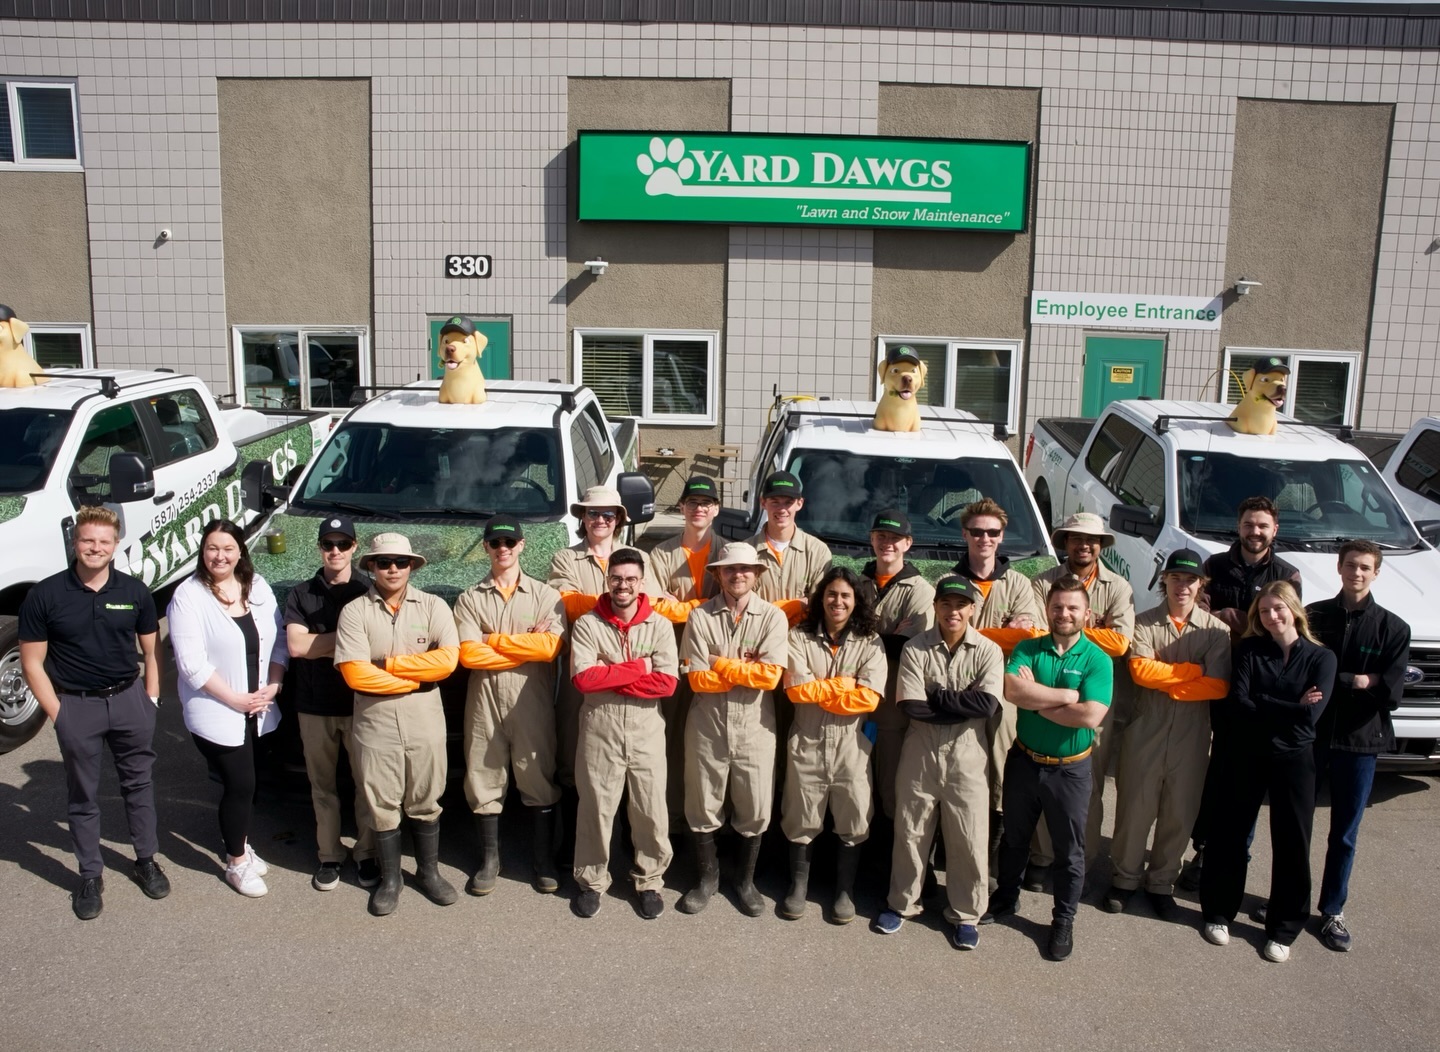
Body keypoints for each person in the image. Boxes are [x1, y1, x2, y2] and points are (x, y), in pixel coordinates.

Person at [18, 505, 167, 919]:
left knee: (138, 785)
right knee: (83, 795)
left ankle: (146, 860)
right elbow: (32, 662)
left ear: (116, 545)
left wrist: (150, 699)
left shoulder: (133, 591)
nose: (95, 548)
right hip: (76, 706)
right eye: (88, 540)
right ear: (75, 542)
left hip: (129, 701)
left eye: (104, 542)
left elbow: (152, 650)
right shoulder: (45, 595)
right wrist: (58, 713)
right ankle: (89, 874)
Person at [1199, 581, 1336, 963]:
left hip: (1295, 760)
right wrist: (1291, 705)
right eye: (1263, 611)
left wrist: (1271, 704)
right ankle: (1218, 913)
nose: (1271, 616)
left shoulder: (1321, 659)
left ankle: (1283, 928)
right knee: (1230, 833)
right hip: (1247, 754)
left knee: (1293, 841)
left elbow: (1311, 716)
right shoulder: (1251, 650)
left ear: (1294, 610)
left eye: (1278, 608)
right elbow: (1239, 702)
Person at [983, 576, 1112, 962]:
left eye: (1073, 607)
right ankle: (1006, 898)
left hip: (1069, 771)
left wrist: (1036, 700)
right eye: (1057, 607)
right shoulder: (1027, 648)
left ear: (1086, 614)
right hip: (1024, 761)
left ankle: (1063, 920)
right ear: (1048, 610)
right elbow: (1012, 691)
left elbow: (1090, 715)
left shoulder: (1097, 659)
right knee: (1014, 838)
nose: (1064, 614)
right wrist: (1066, 697)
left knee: (1068, 852)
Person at [872, 576, 1003, 950]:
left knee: (968, 835)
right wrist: (960, 701)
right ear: (936, 607)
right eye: (946, 604)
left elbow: (987, 705)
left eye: (961, 604)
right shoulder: (915, 648)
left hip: (967, 754)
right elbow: (911, 706)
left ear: (973, 609)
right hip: (921, 750)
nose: (953, 611)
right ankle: (902, 903)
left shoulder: (989, 650)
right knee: (911, 830)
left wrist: (939, 697)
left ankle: (965, 914)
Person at [335, 533, 460, 916]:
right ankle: (392, 879)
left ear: (412, 566)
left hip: (424, 719)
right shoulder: (354, 611)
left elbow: (448, 661)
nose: (393, 568)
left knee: (426, 798)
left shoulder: (434, 606)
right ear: (371, 565)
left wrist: (388, 666)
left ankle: (429, 872)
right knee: (382, 803)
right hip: (375, 722)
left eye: (400, 562)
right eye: (384, 561)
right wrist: (418, 675)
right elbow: (356, 676)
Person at [1182, 496, 1303, 890]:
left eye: (1263, 526)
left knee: (1244, 777)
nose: (1256, 532)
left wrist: (1244, 623)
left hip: (1257, 690)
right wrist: (1218, 617)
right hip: (1214, 679)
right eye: (1250, 524)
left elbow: (1286, 626)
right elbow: (1195, 615)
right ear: (1239, 526)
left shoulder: (1287, 574)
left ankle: (1233, 855)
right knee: (1211, 770)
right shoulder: (1214, 567)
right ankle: (1201, 850)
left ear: (1275, 530)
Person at [1105, 550, 1229, 919]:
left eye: (1191, 580)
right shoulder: (1143, 623)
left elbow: (1219, 686)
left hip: (1191, 737)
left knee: (1179, 812)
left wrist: (1171, 678)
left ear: (1201, 584)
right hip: (1145, 730)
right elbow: (1142, 672)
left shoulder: (1216, 631)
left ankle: (1161, 883)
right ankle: (1123, 880)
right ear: (1165, 582)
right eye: (1175, 578)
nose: (1183, 586)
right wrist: (1193, 672)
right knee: (1134, 809)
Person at [167, 519, 288, 897]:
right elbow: (190, 663)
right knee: (241, 784)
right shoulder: (189, 596)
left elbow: (279, 640)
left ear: (240, 552)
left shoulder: (258, 587)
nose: (219, 556)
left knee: (249, 784)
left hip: (258, 707)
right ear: (202, 552)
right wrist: (235, 699)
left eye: (227, 548)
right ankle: (235, 862)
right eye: (211, 548)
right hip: (217, 709)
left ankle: (242, 844)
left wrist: (275, 682)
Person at [453, 515, 566, 896]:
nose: (503, 549)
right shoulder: (470, 597)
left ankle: (542, 860)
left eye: (509, 542)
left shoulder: (545, 595)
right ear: (485, 547)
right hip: (483, 700)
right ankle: (490, 860)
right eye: (495, 543)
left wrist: (493, 639)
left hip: (530, 699)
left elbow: (550, 648)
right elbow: (469, 655)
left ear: (522, 546)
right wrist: (522, 646)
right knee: (483, 775)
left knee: (537, 773)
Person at [674, 540, 788, 916]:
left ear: (756, 574)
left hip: (755, 725)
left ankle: (745, 881)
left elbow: (769, 677)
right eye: (730, 569)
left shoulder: (772, 617)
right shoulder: (700, 617)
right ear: (718, 574)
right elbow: (696, 680)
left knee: (754, 805)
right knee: (702, 802)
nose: (738, 575)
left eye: (745, 569)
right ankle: (706, 879)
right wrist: (743, 669)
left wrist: (720, 663)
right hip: (707, 723)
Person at [1305, 540, 1409, 952]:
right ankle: (1288, 900)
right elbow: (1302, 671)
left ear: (1377, 573)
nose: (1357, 573)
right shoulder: (1315, 615)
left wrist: (1360, 682)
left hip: (1360, 743)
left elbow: (1393, 692)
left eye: (1366, 567)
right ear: (1339, 567)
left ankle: (1332, 911)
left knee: (1344, 833)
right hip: (1313, 737)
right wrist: (1363, 679)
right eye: (1351, 565)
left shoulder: (1393, 628)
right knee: (1297, 825)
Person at [1027, 512, 1136, 890]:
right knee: (1043, 780)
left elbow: (1121, 643)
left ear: (1101, 545)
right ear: (1065, 543)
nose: (1083, 545)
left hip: (1092, 701)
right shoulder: (1042, 582)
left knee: (1086, 788)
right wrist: (1094, 628)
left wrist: (1071, 629)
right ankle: (1041, 857)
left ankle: (1079, 860)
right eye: (1075, 539)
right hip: (1043, 689)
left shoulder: (1118, 587)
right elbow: (1034, 631)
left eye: (1091, 540)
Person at [569, 548, 679, 920]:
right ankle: (591, 881)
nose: (623, 585)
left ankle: (649, 881)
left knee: (649, 807)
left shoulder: (659, 625)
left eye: (631, 579)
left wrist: (613, 674)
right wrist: (639, 667)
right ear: (607, 579)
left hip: (646, 727)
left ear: (642, 582)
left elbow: (665, 684)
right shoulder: (587, 624)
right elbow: (584, 680)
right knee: (597, 807)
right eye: (617, 578)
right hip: (600, 725)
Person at [780, 566, 888, 924]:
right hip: (807, 738)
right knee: (800, 814)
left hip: (852, 743)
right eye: (831, 594)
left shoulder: (870, 641)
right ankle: (798, 887)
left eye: (845, 595)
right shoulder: (799, 637)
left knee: (854, 815)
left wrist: (823, 690)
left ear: (856, 601)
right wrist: (845, 684)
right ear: (820, 598)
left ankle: (844, 891)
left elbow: (869, 699)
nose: (837, 601)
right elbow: (797, 691)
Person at [282, 514, 376, 892]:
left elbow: (378, 640)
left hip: (362, 702)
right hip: (314, 704)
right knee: (322, 786)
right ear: (319, 548)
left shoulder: (369, 590)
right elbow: (295, 646)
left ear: (355, 547)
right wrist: (351, 640)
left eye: (343, 544)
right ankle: (330, 855)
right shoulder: (301, 593)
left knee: (367, 783)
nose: (335, 550)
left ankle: (367, 853)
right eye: (327, 544)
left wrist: (319, 643)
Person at [949, 497, 1042, 858]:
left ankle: (991, 852)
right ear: (965, 534)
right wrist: (1002, 632)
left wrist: (973, 631)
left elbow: (1028, 635)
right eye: (976, 532)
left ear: (1002, 536)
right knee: (961, 769)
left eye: (992, 532)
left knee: (1001, 770)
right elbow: (947, 634)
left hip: (1005, 691)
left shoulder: (1019, 584)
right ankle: (953, 847)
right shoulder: (949, 581)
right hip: (959, 687)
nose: (984, 539)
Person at [648, 475, 724, 823]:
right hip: (672, 654)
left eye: (705, 503)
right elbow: (651, 605)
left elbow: (738, 602)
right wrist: (707, 605)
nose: (698, 508)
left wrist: (682, 606)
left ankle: (712, 818)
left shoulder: (728, 552)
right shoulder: (661, 553)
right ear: (681, 507)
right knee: (673, 734)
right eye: (692, 502)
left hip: (717, 658)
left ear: (716, 510)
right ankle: (672, 812)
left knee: (712, 742)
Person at [857, 509, 935, 825]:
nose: (887, 543)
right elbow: (839, 635)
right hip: (851, 699)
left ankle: (885, 855)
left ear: (908, 543)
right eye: (881, 536)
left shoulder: (920, 590)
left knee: (890, 781)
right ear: (872, 540)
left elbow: (910, 647)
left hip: (892, 704)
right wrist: (888, 635)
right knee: (854, 780)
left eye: (895, 538)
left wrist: (863, 634)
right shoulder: (856, 584)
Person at [748, 469, 833, 628]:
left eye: (788, 502)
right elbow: (738, 604)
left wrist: (770, 608)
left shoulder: (817, 552)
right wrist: (797, 605)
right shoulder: (746, 551)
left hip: (801, 642)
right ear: (763, 503)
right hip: (756, 639)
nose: (782, 509)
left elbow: (820, 605)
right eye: (775, 501)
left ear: (799, 504)